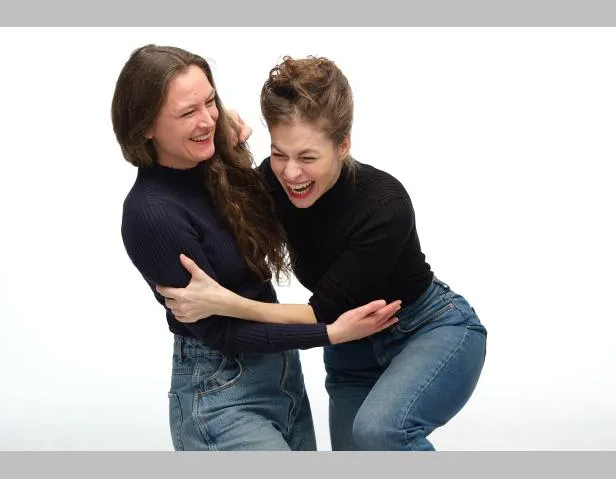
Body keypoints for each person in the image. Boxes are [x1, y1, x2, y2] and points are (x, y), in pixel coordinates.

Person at [156, 55, 488, 451]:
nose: (291, 173)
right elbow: (212, 205)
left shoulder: (385, 205)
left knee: (378, 432)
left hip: (428, 329)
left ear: (343, 145)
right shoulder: (272, 183)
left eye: (308, 157)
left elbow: (320, 315)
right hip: (351, 351)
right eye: (280, 154)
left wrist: (223, 302)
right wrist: (218, 132)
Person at [112, 45, 401, 451]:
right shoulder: (151, 214)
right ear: (145, 125)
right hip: (220, 392)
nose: (207, 119)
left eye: (210, 101)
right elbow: (221, 331)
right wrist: (330, 333)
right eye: (187, 112)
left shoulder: (213, 164)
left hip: (282, 376)